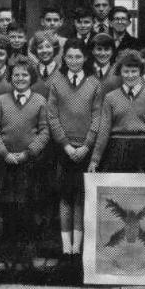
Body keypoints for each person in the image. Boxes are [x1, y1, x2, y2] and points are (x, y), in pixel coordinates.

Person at [0, 56, 50, 273]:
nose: (20, 78)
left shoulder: (40, 101)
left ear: (31, 78)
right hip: (5, 163)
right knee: (8, 210)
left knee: (28, 211)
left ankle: (27, 256)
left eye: (24, 75)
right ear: (10, 77)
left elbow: (44, 131)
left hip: (29, 164)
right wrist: (5, 153)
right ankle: (9, 255)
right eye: (16, 75)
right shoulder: (2, 100)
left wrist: (28, 153)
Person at [46, 39, 103, 261]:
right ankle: (66, 246)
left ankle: (78, 247)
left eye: (78, 57)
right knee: (64, 197)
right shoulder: (57, 82)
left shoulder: (94, 83)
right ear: (64, 58)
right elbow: (52, 115)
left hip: (85, 148)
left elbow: (98, 116)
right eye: (69, 57)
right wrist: (66, 144)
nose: (74, 61)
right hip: (63, 148)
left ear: (86, 58)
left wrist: (87, 144)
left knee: (81, 196)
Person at [89, 50, 145, 174]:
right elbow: (104, 131)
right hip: (117, 150)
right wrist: (95, 160)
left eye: (134, 71)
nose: (130, 75)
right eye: (126, 71)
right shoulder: (110, 98)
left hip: (143, 150)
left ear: (141, 72)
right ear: (120, 73)